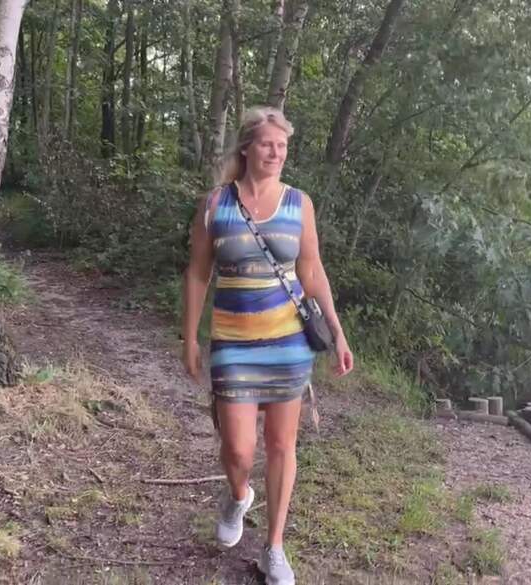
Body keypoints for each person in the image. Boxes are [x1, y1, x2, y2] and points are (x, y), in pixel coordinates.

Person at [181, 106, 353, 584]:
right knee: (237, 449)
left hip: (289, 344)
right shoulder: (216, 204)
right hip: (233, 344)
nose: (276, 153)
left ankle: (273, 548)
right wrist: (190, 337)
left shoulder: (299, 203)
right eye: (266, 144)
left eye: (282, 146)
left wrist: (337, 330)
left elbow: (312, 272)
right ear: (247, 148)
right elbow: (197, 273)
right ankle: (239, 496)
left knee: (281, 445)